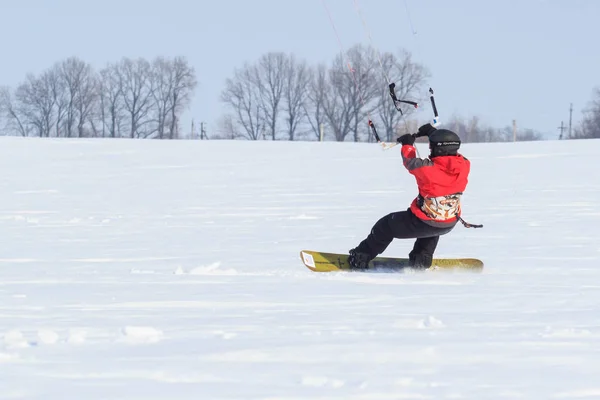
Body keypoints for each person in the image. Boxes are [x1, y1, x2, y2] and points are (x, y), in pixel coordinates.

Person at [348, 123, 471, 270]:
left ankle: (360, 257)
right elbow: (447, 150)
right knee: (432, 226)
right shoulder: (464, 165)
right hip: (448, 223)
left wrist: (407, 145)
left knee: (385, 226)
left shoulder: (427, 169)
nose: (430, 150)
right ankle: (421, 261)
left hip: (424, 222)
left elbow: (410, 161)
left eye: (431, 147)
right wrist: (432, 132)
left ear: (438, 149)